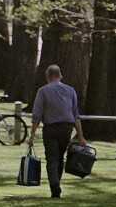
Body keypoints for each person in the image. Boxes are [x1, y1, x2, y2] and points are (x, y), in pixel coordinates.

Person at [28, 64, 86, 198]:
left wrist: (32, 135)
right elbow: (76, 115)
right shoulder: (70, 91)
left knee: (52, 158)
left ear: (48, 77)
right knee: (60, 157)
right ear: (60, 76)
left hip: (51, 128)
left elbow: (37, 115)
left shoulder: (43, 91)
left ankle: (54, 185)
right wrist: (81, 137)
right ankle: (57, 183)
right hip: (67, 128)